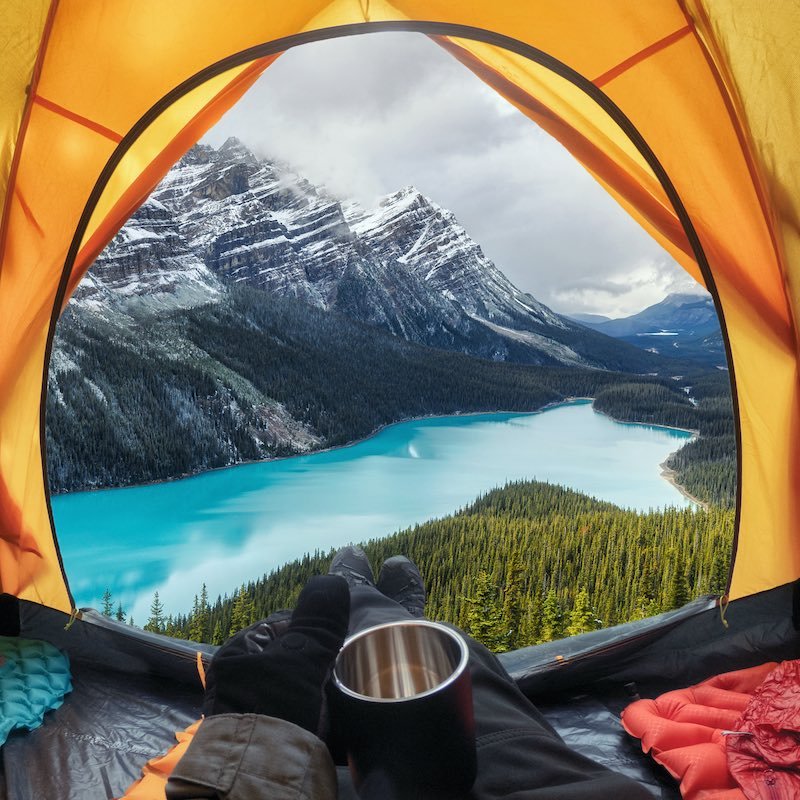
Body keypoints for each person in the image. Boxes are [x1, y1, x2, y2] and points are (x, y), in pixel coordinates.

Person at [166, 547, 652, 799]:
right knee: (467, 669)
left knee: (299, 649)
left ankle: (363, 598)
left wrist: (253, 758)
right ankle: (393, 613)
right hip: (539, 782)